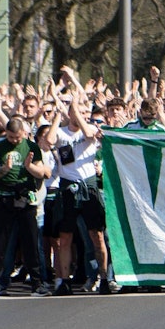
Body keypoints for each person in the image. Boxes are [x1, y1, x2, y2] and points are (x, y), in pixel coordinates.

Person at [48, 74, 115, 296]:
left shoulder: (92, 131)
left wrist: (77, 103)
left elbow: (88, 132)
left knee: (97, 235)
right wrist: (61, 114)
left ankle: (104, 278)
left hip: (89, 186)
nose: (83, 116)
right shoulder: (61, 132)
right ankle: (64, 280)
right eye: (80, 112)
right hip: (68, 186)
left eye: (87, 113)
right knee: (65, 236)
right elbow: (48, 142)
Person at [0, 118, 50, 296]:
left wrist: (29, 166)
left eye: (17, 137)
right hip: (5, 197)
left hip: (26, 197)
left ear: (23, 132)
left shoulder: (31, 147)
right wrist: (5, 168)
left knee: (31, 243)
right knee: (1, 243)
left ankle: (37, 283)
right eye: (11, 137)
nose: (14, 140)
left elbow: (42, 172)